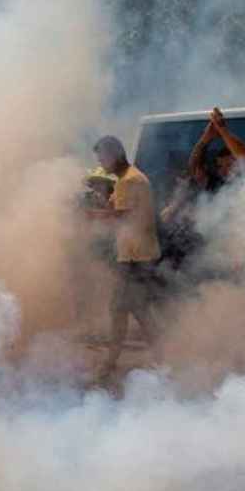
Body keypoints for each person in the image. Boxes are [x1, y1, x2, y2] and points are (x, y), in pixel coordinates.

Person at [85, 136, 162, 383]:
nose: (100, 162)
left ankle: (111, 363)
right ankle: (160, 356)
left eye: (102, 157)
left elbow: (123, 218)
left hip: (135, 258)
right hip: (137, 255)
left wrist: (92, 216)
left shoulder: (128, 181)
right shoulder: (131, 179)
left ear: (114, 153)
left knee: (121, 309)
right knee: (134, 309)